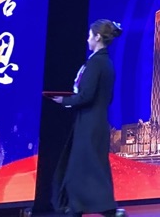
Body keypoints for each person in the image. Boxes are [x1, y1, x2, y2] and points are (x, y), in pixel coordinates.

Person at [51, 19, 123, 217]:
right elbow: (107, 97)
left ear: (97, 37)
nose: (87, 39)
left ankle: (95, 208)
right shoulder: (106, 63)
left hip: (89, 123)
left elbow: (86, 95)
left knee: (81, 169)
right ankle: (89, 208)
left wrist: (64, 101)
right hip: (97, 121)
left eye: (90, 35)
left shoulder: (96, 63)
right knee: (90, 168)